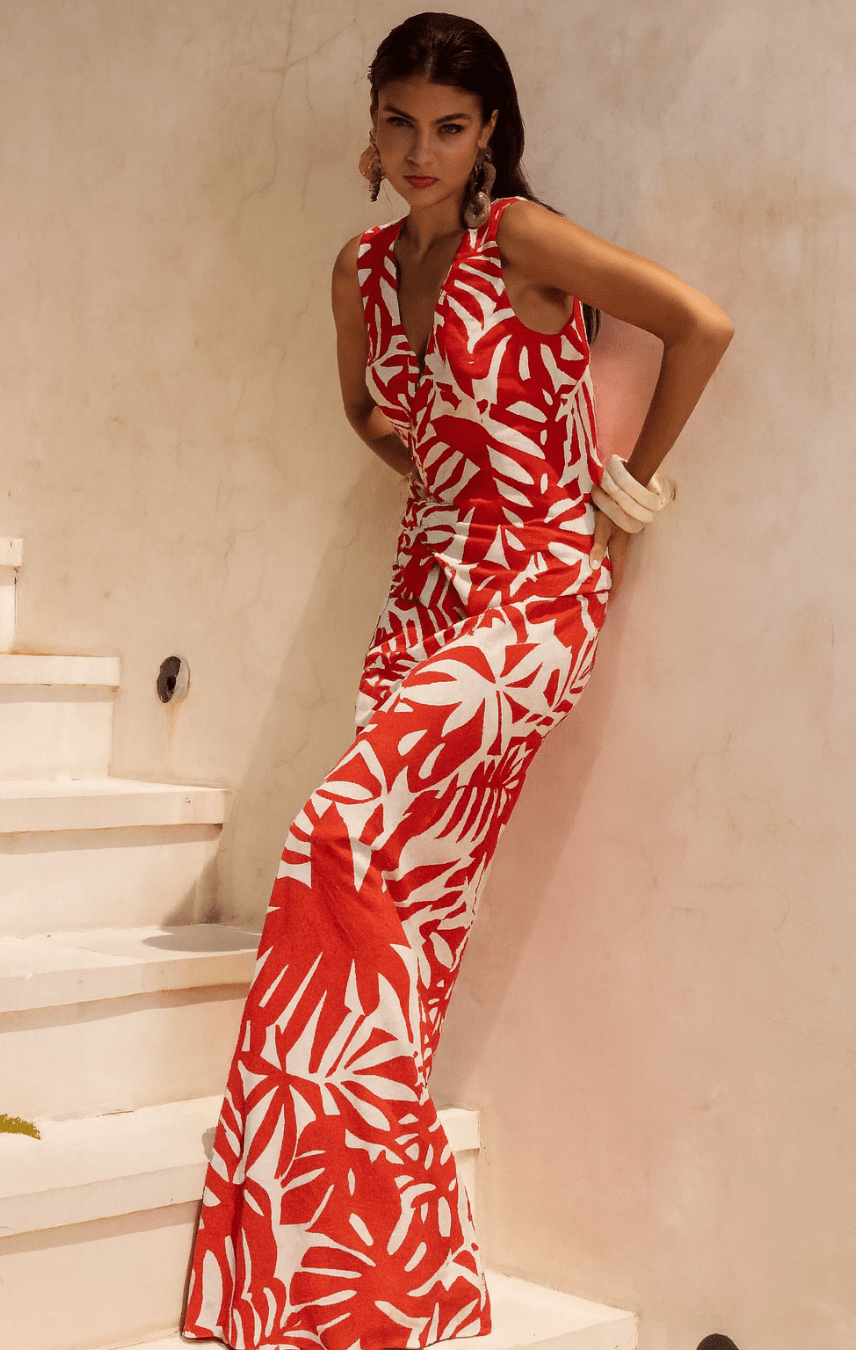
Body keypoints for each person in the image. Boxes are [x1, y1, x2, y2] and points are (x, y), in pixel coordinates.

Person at [182, 12, 733, 1350]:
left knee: (332, 834)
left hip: (536, 593)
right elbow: (376, 415)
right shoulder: (360, 273)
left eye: (449, 126)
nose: (419, 150)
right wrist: (439, 489)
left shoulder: (520, 241)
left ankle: (349, 1260)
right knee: (401, 940)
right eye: (398, 121)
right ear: (369, 129)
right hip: (417, 609)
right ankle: (376, 1284)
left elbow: (698, 325)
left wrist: (618, 489)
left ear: (491, 137)